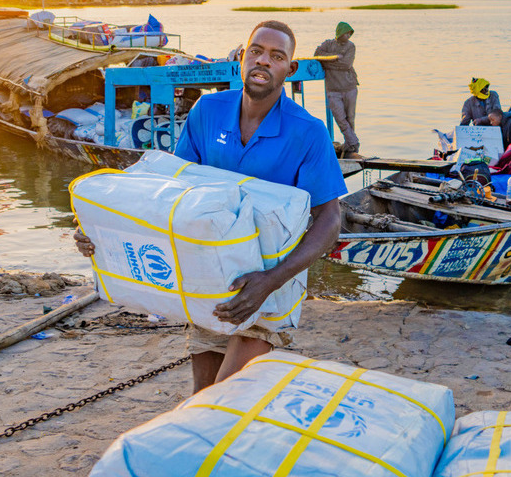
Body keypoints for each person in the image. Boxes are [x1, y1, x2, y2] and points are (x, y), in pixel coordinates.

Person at [74, 20, 346, 393]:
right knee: (204, 398)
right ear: (241, 57)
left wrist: (269, 282)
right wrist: (99, 230)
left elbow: (330, 220)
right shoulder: (208, 110)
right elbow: (172, 191)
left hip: (272, 286)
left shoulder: (309, 131)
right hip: (208, 278)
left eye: (277, 56)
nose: (263, 61)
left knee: (224, 398)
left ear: (290, 69)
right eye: (256, 51)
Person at [314, 21, 361, 157]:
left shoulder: (351, 46)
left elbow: (347, 64)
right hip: (333, 89)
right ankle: (353, 142)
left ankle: (349, 145)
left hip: (350, 87)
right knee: (340, 118)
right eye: (346, 33)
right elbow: (317, 54)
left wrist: (328, 62)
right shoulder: (328, 44)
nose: (348, 36)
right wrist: (335, 58)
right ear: (340, 33)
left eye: (349, 33)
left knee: (350, 118)